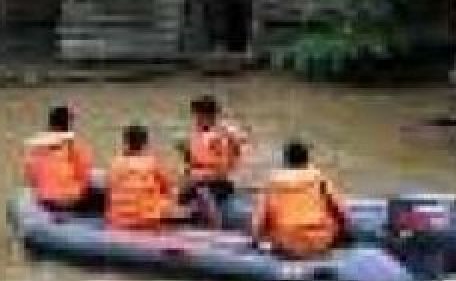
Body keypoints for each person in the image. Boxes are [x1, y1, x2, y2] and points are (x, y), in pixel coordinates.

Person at [252, 140, 347, 259]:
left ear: (286, 161)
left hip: (288, 243)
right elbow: (341, 211)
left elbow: (258, 220)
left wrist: (255, 242)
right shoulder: (320, 179)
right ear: (307, 160)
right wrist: (343, 234)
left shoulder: (272, 183)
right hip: (320, 241)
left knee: (273, 226)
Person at [178, 95, 247, 228]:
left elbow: (223, 170)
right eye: (195, 116)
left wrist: (200, 178)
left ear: (208, 116)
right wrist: (186, 155)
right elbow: (191, 163)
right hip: (197, 182)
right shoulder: (197, 134)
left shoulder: (222, 137)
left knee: (201, 191)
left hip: (217, 185)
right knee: (184, 190)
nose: (196, 120)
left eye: (198, 116)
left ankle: (215, 226)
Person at [23, 104, 96, 212]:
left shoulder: (37, 146)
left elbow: (31, 176)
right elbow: (84, 175)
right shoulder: (75, 146)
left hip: (44, 198)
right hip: (69, 199)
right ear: (68, 125)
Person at [106, 124, 178, 230]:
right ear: (145, 144)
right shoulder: (153, 163)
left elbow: (109, 192)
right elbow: (170, 188)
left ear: (125, 143)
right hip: (146, 220)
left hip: (118, 220)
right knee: (170, 199)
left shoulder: (115, 164)